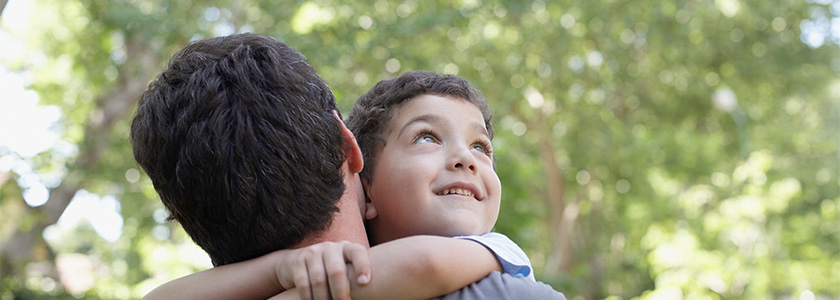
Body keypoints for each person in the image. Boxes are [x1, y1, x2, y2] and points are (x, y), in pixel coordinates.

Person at [135, 33, 564, 299]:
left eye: (482, 147)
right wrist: (279, 272)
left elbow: (425, 266)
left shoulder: (496, 252)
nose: (465, 159)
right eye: (426, 137)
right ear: (358, 161)